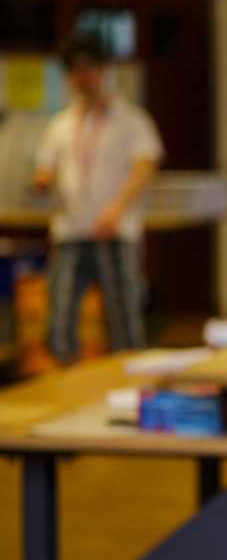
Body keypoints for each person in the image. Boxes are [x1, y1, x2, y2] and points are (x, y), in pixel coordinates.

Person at [32, 35, 164, 365]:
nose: (82, 77)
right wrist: (43, 180)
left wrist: (116, 210)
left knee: (123, 324)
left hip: (114, 231)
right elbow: (45, 167)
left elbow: (145, 165)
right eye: (74, 71)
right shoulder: (60, 124)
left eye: (88, 69)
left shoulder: (131, 120)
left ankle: (127, 386)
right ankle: (69, 385)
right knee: (59, 322)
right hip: (70, 231)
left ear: (103, 70)